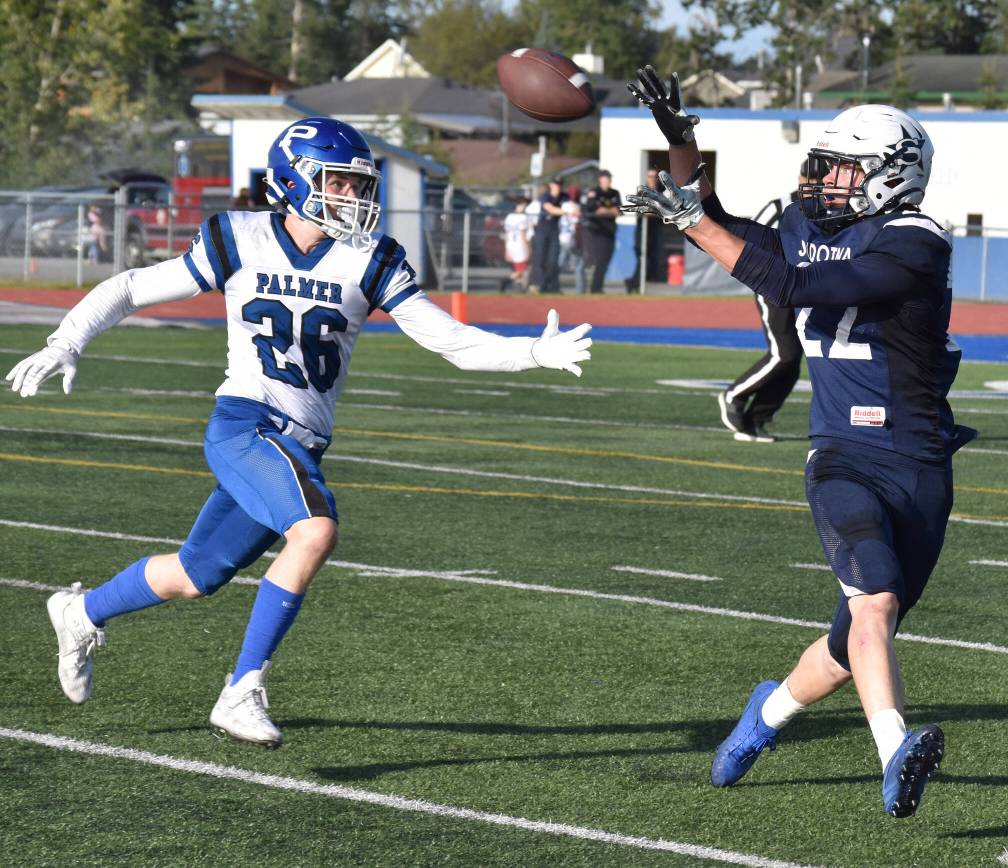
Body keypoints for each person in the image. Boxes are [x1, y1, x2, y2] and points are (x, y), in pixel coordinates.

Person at [6, 117, 593, 748]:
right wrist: (67, 340)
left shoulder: (372, 259)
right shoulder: (239, 237)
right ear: (292, 181)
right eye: (338, 182)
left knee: (195, 574)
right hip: (244, 423)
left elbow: (450, 342)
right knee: (315, 530)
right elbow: (130, 288)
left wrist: (532, 353)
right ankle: (242, 687)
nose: (352, 197)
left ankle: (80, 611)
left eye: (357, 185)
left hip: (300, 442)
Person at [625, 66, 977, 818]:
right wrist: (681, 142)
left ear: (891, 176)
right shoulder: (808, 229)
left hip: (917, 465)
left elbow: (798, 287)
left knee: (850, 643)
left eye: (844, 168)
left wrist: (693, 223)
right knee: (875, 603)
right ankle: (896, 754)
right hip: (842, 458)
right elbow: (708, 209)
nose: (825, 181)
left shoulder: (916, 241)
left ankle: (765, 716)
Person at [716, 160, 823, 443]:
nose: (816, 185)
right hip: (771, 284)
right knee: (783, 354)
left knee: (793, 360)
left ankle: (756, 421)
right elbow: (747, 238)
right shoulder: (780, 207)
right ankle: (734, 395)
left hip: (804, 289)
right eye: (812, 178)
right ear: (801, 177)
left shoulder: (827, 211)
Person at [625, 168, 666, 293]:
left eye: (654, 177)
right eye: (650, 176)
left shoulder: (661, 193)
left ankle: (634, 283)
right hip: (643, 231)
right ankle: (633, 283)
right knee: (643, 258)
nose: (652, 179)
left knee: (652, 258)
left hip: (655, 231)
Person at [582, 170, 622, 294]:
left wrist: (605, 210)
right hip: (598, 231)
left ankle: (598, 287)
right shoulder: (594, 192)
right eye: (606, 178)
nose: (608, 181)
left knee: (606, 260)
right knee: (600, 260)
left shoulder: (614, 193)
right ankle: (595, 288)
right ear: (600, 179)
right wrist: (610, 210)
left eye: (609, 178)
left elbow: (619, 211)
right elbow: (593, 210)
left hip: (611, 231)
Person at [530, 176, 567, 294]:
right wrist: (566, 212)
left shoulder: (564, 197)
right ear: (551, 185)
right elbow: (550, 208)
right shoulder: (545, 196)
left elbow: (573, 205)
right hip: (542, 229)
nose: (557, 187)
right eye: (555, 184)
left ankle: (553, 287)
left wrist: (573, 209)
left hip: (554, 230)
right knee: (540, 259)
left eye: (559, 184)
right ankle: (541, 285)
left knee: (553, 259)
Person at [501, 195, 531, 291]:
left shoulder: (509, 217)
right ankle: (506, 281)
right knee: (522, 269)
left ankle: (520, 287)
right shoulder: (523, 217)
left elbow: (507, 233)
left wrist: (506, 248)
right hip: (520, 246)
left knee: (519, 269)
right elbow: (522, 234)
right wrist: (528, 247)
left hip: (511, 245)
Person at [559, 185, 585, 294]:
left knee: (560, 264)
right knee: (578, 265)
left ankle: (552, 285)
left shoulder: (563, 205)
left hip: (563, 238)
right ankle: (580, 290)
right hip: (571, 238)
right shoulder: (576, 206)